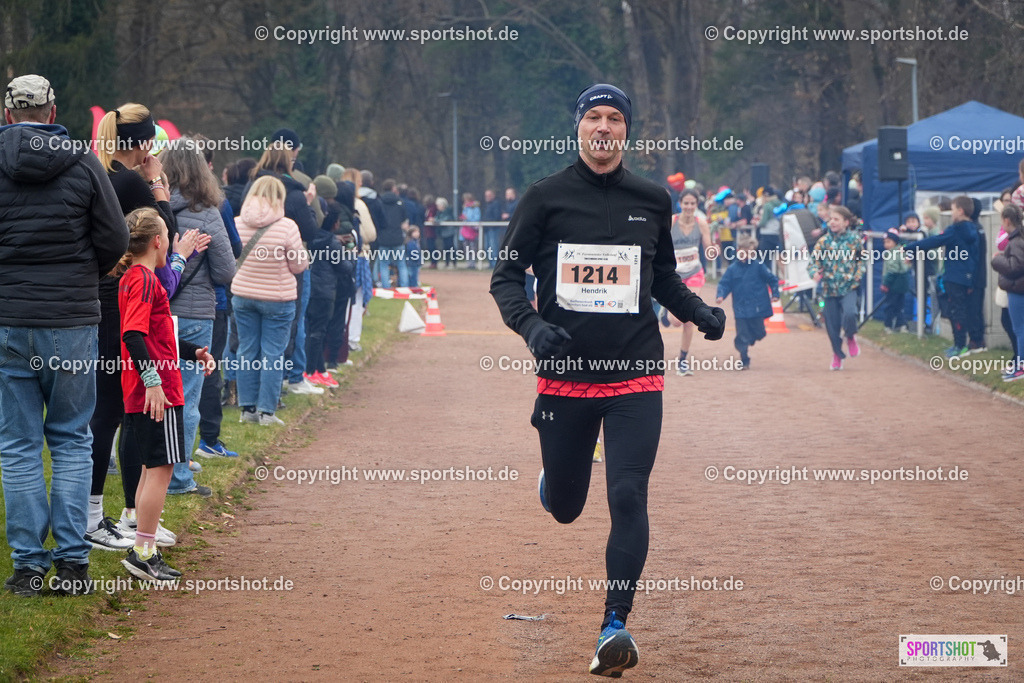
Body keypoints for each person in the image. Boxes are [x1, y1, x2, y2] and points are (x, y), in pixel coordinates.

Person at [490, 83, 725, 677]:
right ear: (578, 127)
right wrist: (532, 327)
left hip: (636, 371)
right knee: (567, 508)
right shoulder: (545, 198)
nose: (603, 127)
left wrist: (696, 311)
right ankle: (554, 481)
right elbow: (506, 278)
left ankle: (614, 626)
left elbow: (663, 277)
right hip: (565, 375)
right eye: (593, 117)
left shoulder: (651, 200)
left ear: (626, 131)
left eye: (613, 119)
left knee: (627, 492)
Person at [0, 75, 129, 595]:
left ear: (9, 114)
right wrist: (86, 276)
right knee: (73, 438)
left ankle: (29, 566)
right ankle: (73, 563)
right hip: (72, 322)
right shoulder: (82, 162)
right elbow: (116, 236)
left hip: (9, 319)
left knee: (19, 445)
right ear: (52, 112)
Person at [94, 103, 211, 548]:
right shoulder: (127, 180)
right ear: (143, 143)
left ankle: (127, 516)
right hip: (121, 311)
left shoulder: (109, 174)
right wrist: (157, 182)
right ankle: (131, 522)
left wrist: (184, 353)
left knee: (117, 416)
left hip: (107, 299)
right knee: (121, 419)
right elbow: (167, 225)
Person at [115, 208, 214, 582]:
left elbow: (158, 336)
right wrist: (153, 381)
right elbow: (133, 335)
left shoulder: (136, 277)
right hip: (158, 392)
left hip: (148, 388)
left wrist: (192, 352)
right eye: (168, 238)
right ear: (158, 242)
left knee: (150, 467)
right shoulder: (142, 279)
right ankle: (143, 551)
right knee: (162, 470)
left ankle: (142, 546)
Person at [162, 140, 236, 492]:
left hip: (154, 313)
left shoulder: (151, 207)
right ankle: (178, 476)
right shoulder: (207, 213)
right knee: (186, 398)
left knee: (150, 392)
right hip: (194, 315)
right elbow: (225, 271)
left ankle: (151, 469)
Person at [232, 176, 309, 425]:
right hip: (277, 298)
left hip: (243, 295)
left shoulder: (236, 223)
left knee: (246, 351)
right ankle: (267, 411)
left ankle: (246, 409)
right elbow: (299, 266)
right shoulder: (287, 227)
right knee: (273, 354)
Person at [248, 142, 322, 397]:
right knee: (280, 339)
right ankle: (281, 389)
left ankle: (247, 402)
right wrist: (309, 203)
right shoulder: (294, 194)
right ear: (289, 161)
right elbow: (310, 233)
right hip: (281, 280)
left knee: (249, 345)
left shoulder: (250, 189)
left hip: (247, 279)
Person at [905, 196, 978, 358]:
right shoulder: (974, 229)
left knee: (955, 310)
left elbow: (933, 241)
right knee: (960, 310)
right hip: (967, 276)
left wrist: (910, 247)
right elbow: (976, 256)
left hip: (953, 276)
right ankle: (960, 344)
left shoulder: (955, 230)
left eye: (952, 210)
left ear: (960, 211)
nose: (951, 214)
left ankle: (960, 345)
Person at [660, 188, 713, 376]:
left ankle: (682, 360)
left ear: (696, 205)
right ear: (680, 204)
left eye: (693, 204)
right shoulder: (672, 221)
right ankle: (665, 310)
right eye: (686, 203)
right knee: (675, 322)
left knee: (688, 316)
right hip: (674, 274)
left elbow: (708, 247)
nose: (689, 207)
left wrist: (713, 251)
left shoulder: (702, 223)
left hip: (695, 273)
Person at [808, 205, 866, 370]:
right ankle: (837, 355)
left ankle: (850, 336)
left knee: (850, 313)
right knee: (832, 326)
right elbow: (813, 262)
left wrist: (857, 274)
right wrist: (814, 273)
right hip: (829, 289)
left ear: (846, 222)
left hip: (849, 287)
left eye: (836, 219)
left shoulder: (854, 240)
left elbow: (862, 260)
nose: (832, 222)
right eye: (831, 219)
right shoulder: (823, 242)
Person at [715, 236, 780, 369]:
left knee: (760, 333)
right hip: (740, 309)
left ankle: (744, 342)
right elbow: (725, 284)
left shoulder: (759, 266)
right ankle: (744, 359)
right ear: (738, 251)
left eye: (750, 252)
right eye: (744, 252)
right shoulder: (733, 269)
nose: (747, 255)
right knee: (742, 334)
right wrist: (721, 295)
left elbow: (772, 279)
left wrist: (775, 294)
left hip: (757, 307)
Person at [990, 204, 1024, 381]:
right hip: (1017, 288)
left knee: (1019, 329)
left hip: (1017, 290)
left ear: (1007, 220)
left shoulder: (1016, 241)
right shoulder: (1019, 239)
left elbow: (1016, 266)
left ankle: (1021, 367)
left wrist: (997, 260)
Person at [880, 229, 910, 332]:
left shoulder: (894, 253)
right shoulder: (900, 251)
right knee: (899, 307)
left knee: (891, 306)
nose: (886, 245)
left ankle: (888, 325)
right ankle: (901, 325)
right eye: (884, 242)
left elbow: (893, 270)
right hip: (902, 285)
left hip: (894, 285)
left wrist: (885, 283)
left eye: (888, 242)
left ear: (895, 242)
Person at [483, 188, 505, 268]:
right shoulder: (487, 205)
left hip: (493, 229)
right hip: (487, 229)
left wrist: (489, 222)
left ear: (493, 196)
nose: (487, 197)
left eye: (489, 195)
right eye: (486, 195)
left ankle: (495, 264)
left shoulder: (496, 204)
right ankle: (490, 264)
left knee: (493, 247)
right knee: (487, 247)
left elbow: (497, 216)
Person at [459, 192, 481, 269]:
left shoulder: (476, 208)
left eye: (466, 200)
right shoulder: (465, 208)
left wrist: (467, 218)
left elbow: (477, 219)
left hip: (472, 231)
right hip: (465, 231)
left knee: (472, 248)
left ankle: (472, 263)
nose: (465, 201)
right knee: (466, 248)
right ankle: (468, 263)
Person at [434, 197, 457, 268]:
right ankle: (447, 262)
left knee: (451, 247)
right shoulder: (439, 213)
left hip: (449, 232)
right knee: (445, 248)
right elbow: (436, 218)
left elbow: (445, 219)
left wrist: (436, 221)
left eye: (438, 205)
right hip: (443, 233)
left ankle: (454, 262)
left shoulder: (448, 211)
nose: (437, 207)